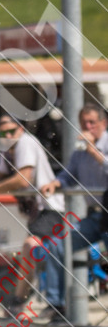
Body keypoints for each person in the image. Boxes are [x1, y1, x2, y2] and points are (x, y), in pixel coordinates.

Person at [0, 113, 66, 324]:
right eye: (3, 133)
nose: (7, 135)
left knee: (31, 248)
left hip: (50, 207)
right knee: (30, 253)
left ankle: (22, 301)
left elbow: (22, 179)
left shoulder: (26, 143)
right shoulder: (8, 148)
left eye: (11, 131)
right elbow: (1, 177)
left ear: (21, 129)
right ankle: (22, 301)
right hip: (37, 211)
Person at [41, 103, 108, 255]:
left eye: (92, 122)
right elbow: (69, 175)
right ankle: (63, 280)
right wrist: (55, 183)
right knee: (55, 247)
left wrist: (93, 151)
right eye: (84, 123)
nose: (88, 127)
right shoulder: (80, 150)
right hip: (93, 217)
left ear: (103, 123)